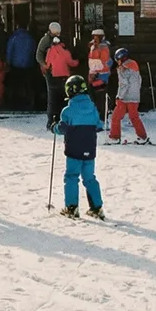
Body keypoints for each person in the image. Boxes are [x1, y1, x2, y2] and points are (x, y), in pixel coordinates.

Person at [55, 75, 107, 219]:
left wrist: (54, 127)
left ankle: (72, 207)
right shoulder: (93, 108)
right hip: (89, 149)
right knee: (89, 178)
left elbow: (62, 129)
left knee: (72, 176)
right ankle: (96, 208)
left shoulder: (68, 110)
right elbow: (99, 126)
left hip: (73, 150)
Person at [108, 48, 148, 143]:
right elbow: (139, 81)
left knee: (115, 117)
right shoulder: (134, 66)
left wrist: (119, 96)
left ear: (120, 58)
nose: (117, 62)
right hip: (135, 97)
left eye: (117, 60)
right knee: (134, 117)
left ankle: (114, 137)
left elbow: (123, 84)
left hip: (125, 98)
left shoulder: (123, 69)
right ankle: (142, 137)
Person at [44, 35, 79, 129]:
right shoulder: (65, 52)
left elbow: (47, 64)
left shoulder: (50, 51)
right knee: (65, 100)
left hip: (53, 78)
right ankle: (64, 120)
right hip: (64, 78)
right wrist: (78, 61)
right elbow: (72, 63)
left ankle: (51, 122)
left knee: (52, 101)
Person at [5, 24, 36, 110]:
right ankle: (30, 101)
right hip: (28, 64)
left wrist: (8, 62)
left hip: (16, 65)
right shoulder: (30, 38)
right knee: (28, 84)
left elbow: (9, 51)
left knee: (16, 84)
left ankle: (15, 102)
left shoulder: (14, 37)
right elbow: (33, 50)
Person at [36, 22, 62, 118]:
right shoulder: (45, 40)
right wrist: (45, 65)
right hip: (49, 71)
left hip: (59, 70)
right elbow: (38, 55)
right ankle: (51, 116)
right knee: (51, 94)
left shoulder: (58, 40)